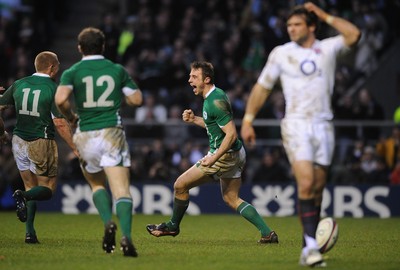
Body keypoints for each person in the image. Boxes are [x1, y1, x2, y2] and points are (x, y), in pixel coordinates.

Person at [240, 3, 360, 267]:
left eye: (297, 25)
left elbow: (353, 35)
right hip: (295, 124)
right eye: (289, 25)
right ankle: (310, 247)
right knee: (305, 183)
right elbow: (262, 88)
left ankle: (310, 247)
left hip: (324, 125)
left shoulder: (327, 48)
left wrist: (325, 14)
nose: (291, 29)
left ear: (312, 26)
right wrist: (248, 120)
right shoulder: (281, 53)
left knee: (317, 189)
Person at [146, 61, 278, 244]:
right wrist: (194, 120)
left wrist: (214, 157)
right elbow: (215, 126)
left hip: (223, 155)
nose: (189, 79)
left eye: (194, 77)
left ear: (206, 79)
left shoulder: (214, 102)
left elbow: (231, 135)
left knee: (180, 185)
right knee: (231, 198)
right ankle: (267, 233)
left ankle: (173, 226)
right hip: (236, 153)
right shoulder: (214, 96)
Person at [55, 27, 143, 257]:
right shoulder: (116, 69)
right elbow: (137, 99)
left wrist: (72, 117)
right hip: (111, 133)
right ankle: (127, 236)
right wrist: (119, 99)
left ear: (79, 48)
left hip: (85, 134)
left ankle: (107, 222)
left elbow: (61, 99)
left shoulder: (72, 71)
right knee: (122, 190)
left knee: (96, 184)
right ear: (103, 46)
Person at [0, 51, 77, 244]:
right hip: (41, 141)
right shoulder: (52, 88)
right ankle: (22, 196)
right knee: (48, 189)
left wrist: (1, 133)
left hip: (18, 140)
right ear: (51, 67)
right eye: (58, 65)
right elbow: (59, 123)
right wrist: (75, 148)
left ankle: (30, 233)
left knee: (30, 184)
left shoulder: (19, 83)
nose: (59, 69)